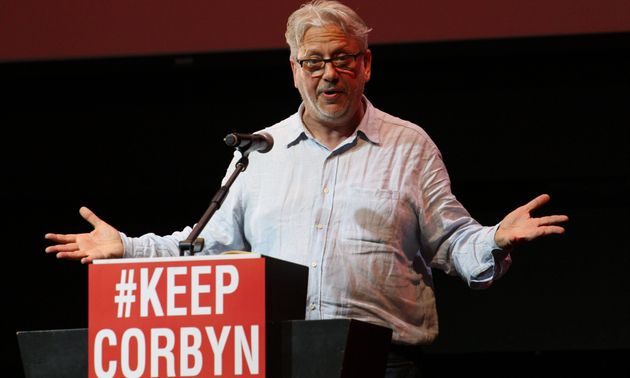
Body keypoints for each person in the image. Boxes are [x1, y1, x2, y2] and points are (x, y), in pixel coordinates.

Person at [45, 1, 568, 376]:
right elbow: (208, 247)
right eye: (314, 62)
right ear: (294, 70)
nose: (329, 75)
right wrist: (129, 249)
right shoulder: (259, 150)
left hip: (382, 361)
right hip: (279, 358)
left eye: (343, 59)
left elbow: (452, 243)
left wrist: (495, 238)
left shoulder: (409, 146)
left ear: (365, 65)